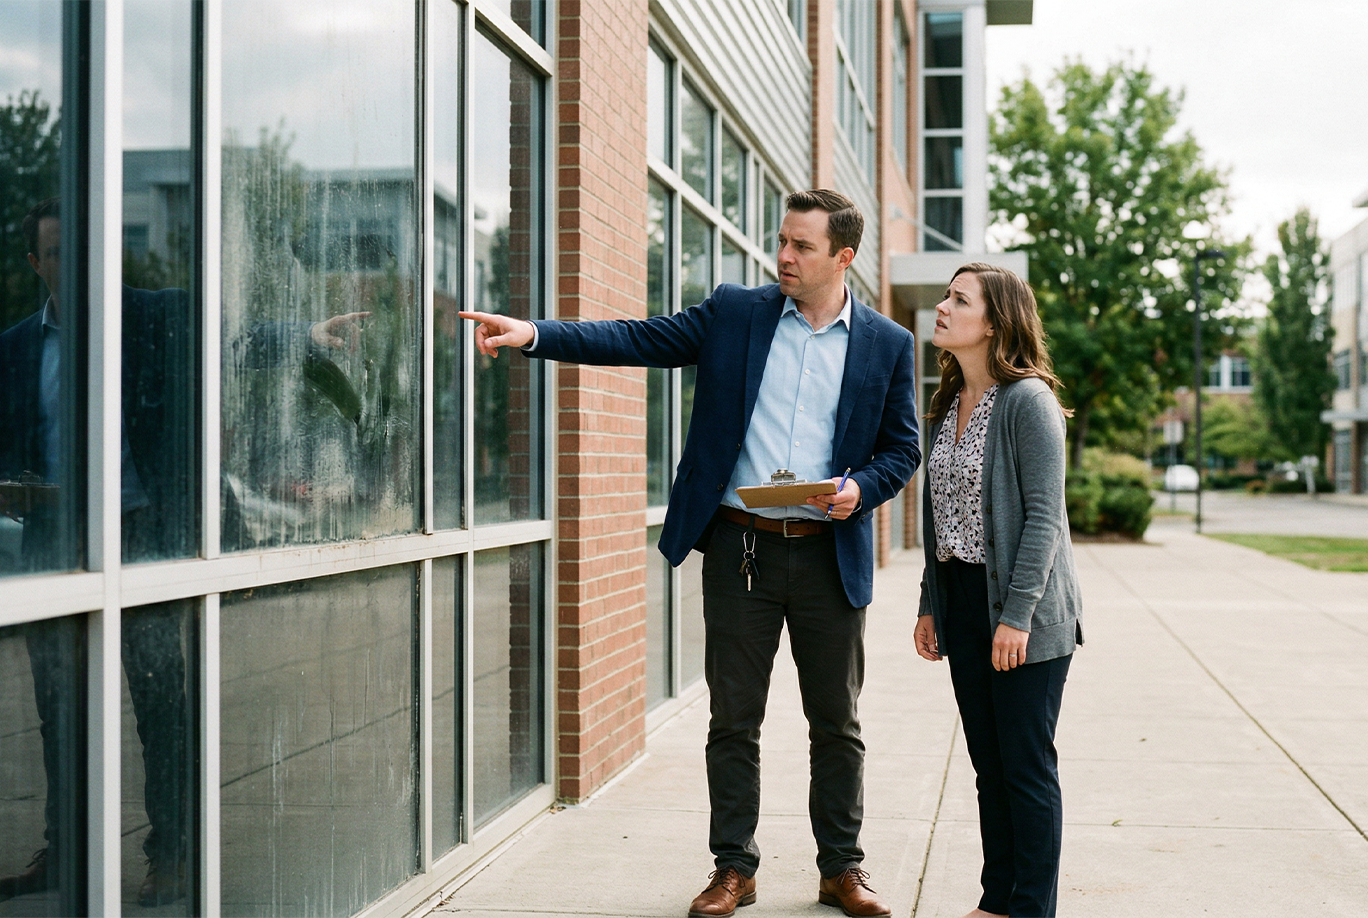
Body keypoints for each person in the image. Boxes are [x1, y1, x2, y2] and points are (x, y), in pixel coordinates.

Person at [461, 189, 919, 918]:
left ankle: (842, 869)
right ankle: (733, 867)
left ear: (844, 256)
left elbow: (903, 448)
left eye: (801, 246)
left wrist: (861, 489)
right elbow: (638, 339)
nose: (784, 257)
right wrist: (534, 334)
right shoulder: (737, 313)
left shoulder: (887, 344)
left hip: (830, 555)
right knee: (734, 720)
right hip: (743, 549)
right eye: (782, 241)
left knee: (836, 722)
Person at [0, 197, 367, 908]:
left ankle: (173, 853)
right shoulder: (14, 348)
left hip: (146, 541)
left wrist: (307, 335)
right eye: (57, 253)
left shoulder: (158, 315)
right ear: (34, 262)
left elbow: (235, 338)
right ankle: (66, 848)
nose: (73, 266)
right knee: (59, 708)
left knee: (160, 705)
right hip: (56, 546)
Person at [912, 263, 1083, 918]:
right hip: (962, 598)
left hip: (1025, 611)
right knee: (989, 767)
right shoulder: (946, 406)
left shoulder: (1028, 402)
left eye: (959, 300)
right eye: (946, 296)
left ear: (995, 322)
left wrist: (1016, 616)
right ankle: (996, 900)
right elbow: (941, 518)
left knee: (1026, 770)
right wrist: (932, 601)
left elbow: (1045, 518)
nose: (943, 307)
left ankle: (1032, 908)